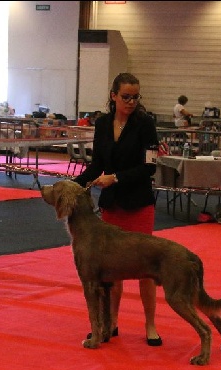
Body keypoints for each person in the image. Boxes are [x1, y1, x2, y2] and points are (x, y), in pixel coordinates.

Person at [72, 72, 162, 347]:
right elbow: (97, 164)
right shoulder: (101, 123)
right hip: (112, 206)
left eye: (136, 97)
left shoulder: (146, 124)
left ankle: (150, 324)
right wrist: (75, 184)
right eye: (126, 97)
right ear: (113, 96)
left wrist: (117, 178)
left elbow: (149, 166)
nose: (131, 102)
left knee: (147, 268)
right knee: (111, 269)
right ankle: (111, 322)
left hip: (139, 204)